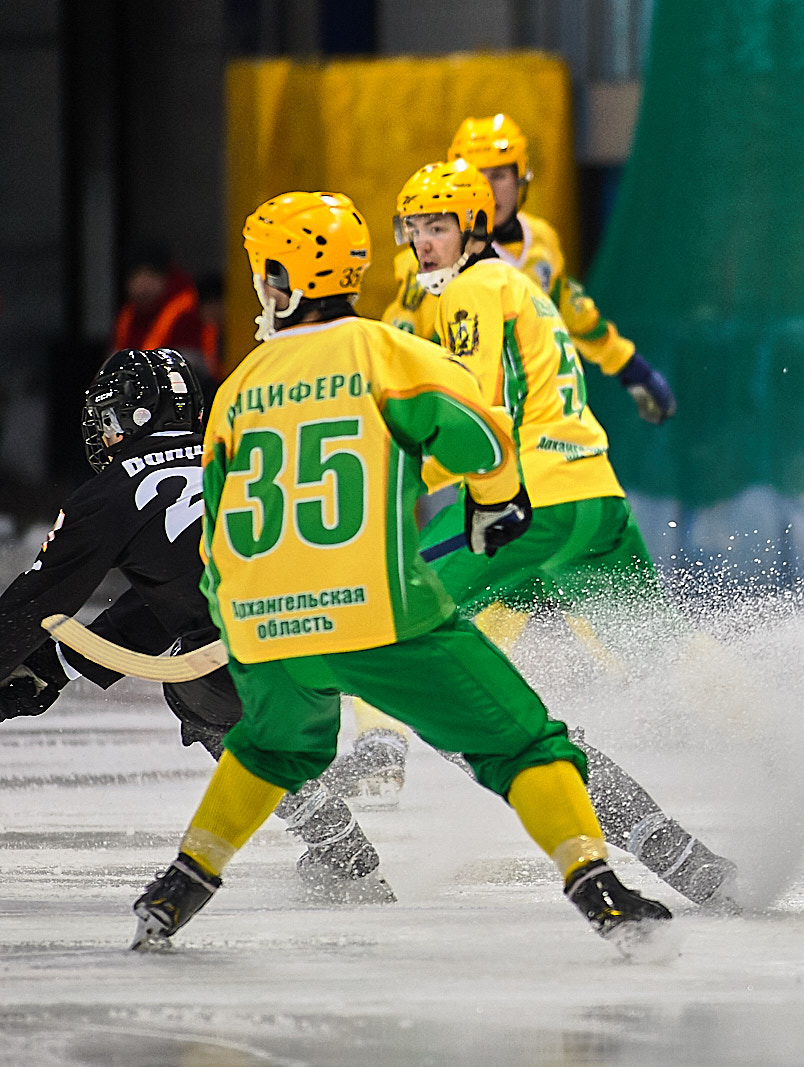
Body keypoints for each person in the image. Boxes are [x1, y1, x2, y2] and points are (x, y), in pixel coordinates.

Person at [129, 191, 671, 953]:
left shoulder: (240, 385)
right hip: (379, 613)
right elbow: (487, 434)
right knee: (524, 743)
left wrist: (241, 616)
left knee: (272, 748)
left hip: (265, 625)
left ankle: (181, 880)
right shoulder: (386, 351)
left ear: (284, 278)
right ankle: (598, 886)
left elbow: (216, 541)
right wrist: (490, 504)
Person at [371, 158, 737, 907]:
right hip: (597, 497)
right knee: (657, 651)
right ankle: (762, 755)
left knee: (393, 608)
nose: (424, 244)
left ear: (472, 227)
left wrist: (393, 483)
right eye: (414, 229)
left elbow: (476, 414)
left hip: (534, 503)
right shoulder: (524, 281)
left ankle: (377, 750)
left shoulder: (471, 292)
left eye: (438, 226)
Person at [0, 348, 390, 899]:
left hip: (255, 649)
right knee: (451, 713)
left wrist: (36, 666)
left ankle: (333, 838)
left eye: (110, 418)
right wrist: (57, 665)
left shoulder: (113, 494)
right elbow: (179, 592)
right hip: (351, 611)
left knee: (198, 683)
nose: (103, 433)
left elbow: (33, 604)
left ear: (140, 416)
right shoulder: (236, 453)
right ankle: (528, 759)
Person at [380, 113, 676, 426]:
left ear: (521, 178)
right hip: (470, 421)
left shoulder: (542, 241)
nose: (487, 189)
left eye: (498, 176)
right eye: (476, 176)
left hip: (538, 420)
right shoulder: (432, 257)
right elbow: (400, 340)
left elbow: (572, 313)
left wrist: (631, 368)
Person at [111, 241, 205, 356]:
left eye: (151, 275)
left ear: (167, 279)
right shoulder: (128, 315)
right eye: (136, 276)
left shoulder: (188, 312)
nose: (143, 285)